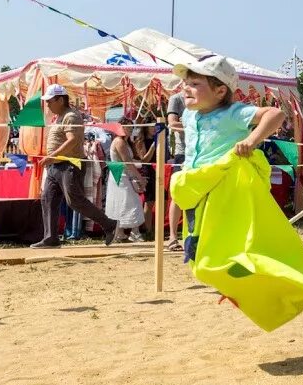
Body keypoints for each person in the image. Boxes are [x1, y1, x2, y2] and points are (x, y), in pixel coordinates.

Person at [174, 55, 284, 255]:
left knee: (226, 235)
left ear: (220, 91)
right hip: (196, 184)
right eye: (186, 83)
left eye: (195, 84)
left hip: (224, 187)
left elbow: (275, 115)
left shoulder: (233, 113)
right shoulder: (189, 115)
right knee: (197, 237)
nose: (186, 88)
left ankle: (237, 269)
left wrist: (251, 141)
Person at [31, 84, 118, 248]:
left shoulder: (71, 116)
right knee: (48, 198)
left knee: (75, 201)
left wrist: (52, 156)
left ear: (60, 99)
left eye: (50, 101)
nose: (47, 104)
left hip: (69, 164)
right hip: (56, 166)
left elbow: (72, 140)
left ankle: (109, 225)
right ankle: (50, 237)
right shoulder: (60, 116)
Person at [105, 119, 147, 243]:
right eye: (126, 127)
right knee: (130, 203)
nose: (128, 129)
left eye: (130, 127)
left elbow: (131, 161)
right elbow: (127, 163)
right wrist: (140, 178)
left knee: (126, 203)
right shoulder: (119, 141)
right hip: (120, 175)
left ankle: (122, 233)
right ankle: (133, 232)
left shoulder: (126, 142)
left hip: (123, 175)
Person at [166, 91, 186, 251]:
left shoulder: (208, 96)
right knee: (178, 195)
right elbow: (172, 124)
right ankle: (172, 236)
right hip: (183, 153)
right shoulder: (177, 98)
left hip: (204, 152)